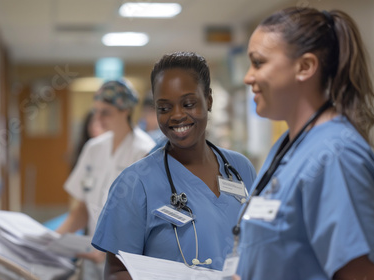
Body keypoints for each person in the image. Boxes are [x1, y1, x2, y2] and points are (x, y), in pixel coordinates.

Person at [233, 7, 374, 280]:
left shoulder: (337, 156)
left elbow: (364, 275)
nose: (248, 77)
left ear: (305, 67)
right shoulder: (287, 147)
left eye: (258, 63)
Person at [92, 52, 257, 279]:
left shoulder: (241, 168)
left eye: (188, 103)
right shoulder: (135, 183)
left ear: (208, 99)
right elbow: (116, 272)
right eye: (164, 108)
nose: (177, 115)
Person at [56, 80, 156, 279]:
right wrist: (53, 239)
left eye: (106, 112)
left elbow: (140, 219)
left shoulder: (145, 152)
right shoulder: (94, 148)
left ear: (126, 110)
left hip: (126, 262)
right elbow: (82, 209)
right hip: (93, 254)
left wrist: (106, 249)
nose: (98, 118)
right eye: (96, 111)